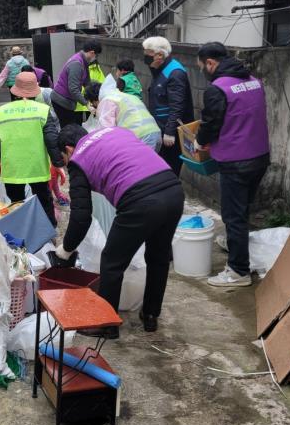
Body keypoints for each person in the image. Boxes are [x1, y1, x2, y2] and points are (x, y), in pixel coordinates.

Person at [53, 125, 184, 333]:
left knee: (112, 262)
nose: (67, 162)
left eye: (64, 158)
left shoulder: (78, 158)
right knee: (158, 257)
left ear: (69, 149)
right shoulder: (114, 131)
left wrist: (66, 249)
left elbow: (80, 217)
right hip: (173, 190)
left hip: (140, 200)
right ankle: (150, 315)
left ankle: (107, 325)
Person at [195, 42, 270, 288]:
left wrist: (200, 141)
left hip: (236, 162)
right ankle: (236, 246)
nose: (203, 72)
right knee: (242, 209)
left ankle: (238, 271)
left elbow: (210, 123)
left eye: (202, 67)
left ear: (210, 63)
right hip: (260, 156)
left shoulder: (218, 89)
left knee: (233, 216)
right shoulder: (254, 81)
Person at [0, 72, 64, 227]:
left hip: (12, 168)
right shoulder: (42, 110)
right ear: (34, 92)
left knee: (17, 204)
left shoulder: (0, 112)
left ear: (15, 90)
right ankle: (48, 233)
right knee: (44, 201)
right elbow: (51, 139)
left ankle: (22, 234)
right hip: (36, 167)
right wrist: (58, 163)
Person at [143, 35, 194, 175]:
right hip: (160, 127)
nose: (145, 57)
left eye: (148, 54)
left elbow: (177, 105)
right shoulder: (158, 69)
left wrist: (170, 132)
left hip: (171, 133)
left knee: (169, 170)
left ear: (160, 55)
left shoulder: (175, 73)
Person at [84, 81, 161, 151]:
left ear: (95, 99)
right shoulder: (123, 95)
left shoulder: (106, 100)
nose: (94, 107)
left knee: (137, 165)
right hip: (155, 133)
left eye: (93, 104)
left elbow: (107, 131)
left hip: (140, 137)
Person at [51, 40, 102, 128]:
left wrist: (95, 99)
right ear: (92, 53)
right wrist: (87, 104)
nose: (96, 58)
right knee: (69, 129)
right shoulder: (77, 64)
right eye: (96, 55)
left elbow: (87, 83)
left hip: (67, 101)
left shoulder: (83, 61)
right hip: (61, 101)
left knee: (70, 127)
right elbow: (73, 89)